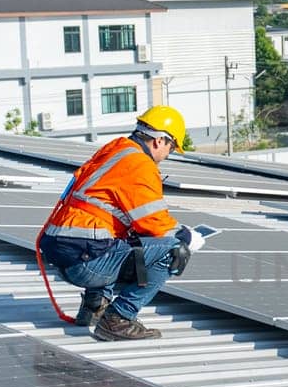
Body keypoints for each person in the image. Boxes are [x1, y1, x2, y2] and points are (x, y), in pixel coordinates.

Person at [37, 106, 206, 341]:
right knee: (173, 250)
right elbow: (154, 222)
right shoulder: (139, 164)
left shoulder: (116, 149)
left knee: (119, 239)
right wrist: (187, 237)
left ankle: (94, 307)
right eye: (171, 147)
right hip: (84, 262)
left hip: (61, 252)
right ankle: (119, 318)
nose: (168, 154)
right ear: (159, 141)